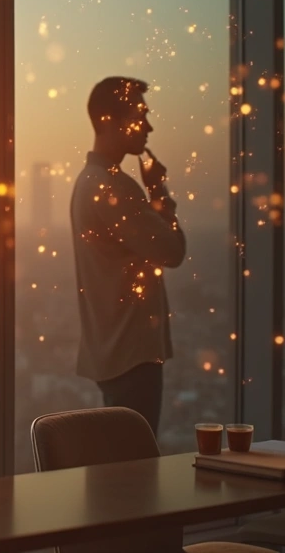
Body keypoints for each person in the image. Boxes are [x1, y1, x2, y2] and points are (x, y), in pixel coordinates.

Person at [69, 76, 187, 436]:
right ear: (108, 121)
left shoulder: (90, 181)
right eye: (139, 115)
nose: (148, 126)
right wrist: (159, 196)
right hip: (130, 352)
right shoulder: (113, 186)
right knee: (134, 468)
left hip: (114, 348)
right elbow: (173, 250)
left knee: (125, 464)